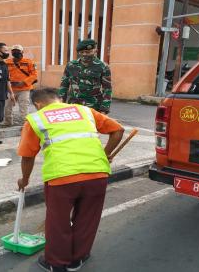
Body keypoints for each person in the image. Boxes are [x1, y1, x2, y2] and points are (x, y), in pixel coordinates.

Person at [17, 88, 124, 272]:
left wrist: (24, 180)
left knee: (58, 222)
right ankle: (77, 259)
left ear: (37, 104)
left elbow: (27, 156)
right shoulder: (84, 111)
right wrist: (104, 156)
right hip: (97, 173)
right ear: (60, 99)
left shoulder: (36, 118)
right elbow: (118, 130)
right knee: (87, 219)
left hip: (62, 177)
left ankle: (56, 263)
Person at [58, 39, 113, 114]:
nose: (84, 54)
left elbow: (107, 89)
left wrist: (104, 109)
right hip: (74, 105)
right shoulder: (71, 65)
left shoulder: (103, 67)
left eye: (88, 52)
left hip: (93, 106)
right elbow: (64, 86)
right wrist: (60, 105)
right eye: (81, 52)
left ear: (95, 50)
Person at [3, 44, 37, 126]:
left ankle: (24, 125)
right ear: (11, 52)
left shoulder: (29, 62)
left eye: (18, 51)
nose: (16, 52)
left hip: (24, 89)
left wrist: (24, 82)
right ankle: (7, 122)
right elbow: (4, 74)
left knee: (24, 107)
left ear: (22, 52)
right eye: (14, 51)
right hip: (10, 89)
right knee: (7, 107)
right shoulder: (7, 62)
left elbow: (34, 75)